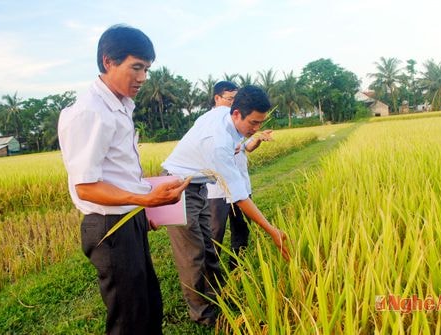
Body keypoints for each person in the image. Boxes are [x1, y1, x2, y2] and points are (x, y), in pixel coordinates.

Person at [58, 24, 190, 335]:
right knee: (129, 320)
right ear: (108, 61)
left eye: (146, 68)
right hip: (109, 227)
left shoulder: (119, 106)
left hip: (128, 217)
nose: (143, 77)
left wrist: (146, 209)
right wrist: (146, 200)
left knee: (148, 307)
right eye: (136, 67)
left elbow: (118, 171)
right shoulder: (90, 111)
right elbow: (86, 187)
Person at [161, 85, 289, 327]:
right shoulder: (218, 141)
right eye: (253, 123)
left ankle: (218, 297)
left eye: (260, 123)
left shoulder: (224, 114)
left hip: (197, 186)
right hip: (175, 190)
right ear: (236, 113)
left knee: (208, 245)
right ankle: (204, 316)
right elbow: (239, 196)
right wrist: (272, 231)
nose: (256, 129)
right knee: (192, 254)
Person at [206, 81, 273, 270]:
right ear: (217, 98)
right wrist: (271, 230)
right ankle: (213, 279)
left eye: (235, 99)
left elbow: (246, 148)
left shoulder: (238, 122)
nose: (233, 103)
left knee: (242, 229)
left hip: (240, 184)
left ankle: (238, 269)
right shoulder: (212, 123)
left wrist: (257, 138)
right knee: (215, 234)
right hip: (217, 190)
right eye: (229, 99)